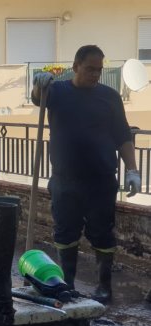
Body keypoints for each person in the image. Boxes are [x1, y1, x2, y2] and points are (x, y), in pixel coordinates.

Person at [32, 45, 141, 303]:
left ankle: (104, 287)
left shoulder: (110, 97)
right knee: (65, 232)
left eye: (99, 70)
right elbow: (38, 99)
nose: (95, 74)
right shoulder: (56, 91)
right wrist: (39, 84)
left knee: (102, 233)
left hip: (101, 180)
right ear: (76, 66)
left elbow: (122, 135)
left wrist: (133, 170)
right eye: (90, 69)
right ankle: (67, 284)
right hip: (65, 179)